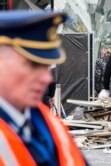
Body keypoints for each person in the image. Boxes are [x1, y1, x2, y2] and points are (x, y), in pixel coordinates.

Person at [0, 11, 88, 166]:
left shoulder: (50, 123)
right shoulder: (49, 123)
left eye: (46, 66)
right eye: (33, 65)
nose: (47, 78)